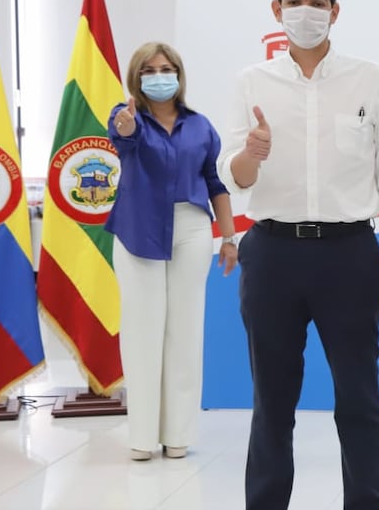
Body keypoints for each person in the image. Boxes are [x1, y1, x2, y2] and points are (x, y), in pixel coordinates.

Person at [218, 0, 379, 510]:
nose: (305, 11)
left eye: (317, 1)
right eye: (294, 0)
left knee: (359, 399)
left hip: (348, 253)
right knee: (272, 401)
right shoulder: (252, 81)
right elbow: (235, 177)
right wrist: (251, 153)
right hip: (272, 253)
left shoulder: (370, 79)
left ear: (334, 11)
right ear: (276, 10)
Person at [106, 41, 237, 461]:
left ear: (179, 75)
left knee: (185, 331)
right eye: (149, 70)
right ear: (136, 77)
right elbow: (123, 139)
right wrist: (128, 126)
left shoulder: (200, 126)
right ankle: (142, 437)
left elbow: (215, 182)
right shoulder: (126, 116)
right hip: (137, 232)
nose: (159, 77)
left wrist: (229, 237)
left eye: (166, 69)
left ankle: (178, 432)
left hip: (191, 229)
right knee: (142, 332)